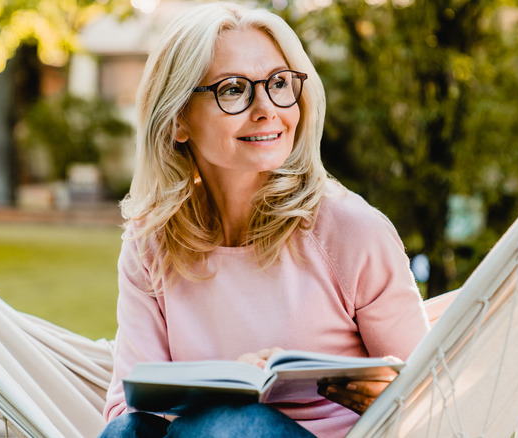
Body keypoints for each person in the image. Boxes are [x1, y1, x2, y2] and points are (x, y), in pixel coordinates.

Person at [100, 2, 429, 437]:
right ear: (178, 119)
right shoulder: (151, 243)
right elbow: (128, 411)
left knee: (235, 424)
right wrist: (221, 386)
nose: (267, 109)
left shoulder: (352, 232)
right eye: (234, 89)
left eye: (278, 83)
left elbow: (429, 397)